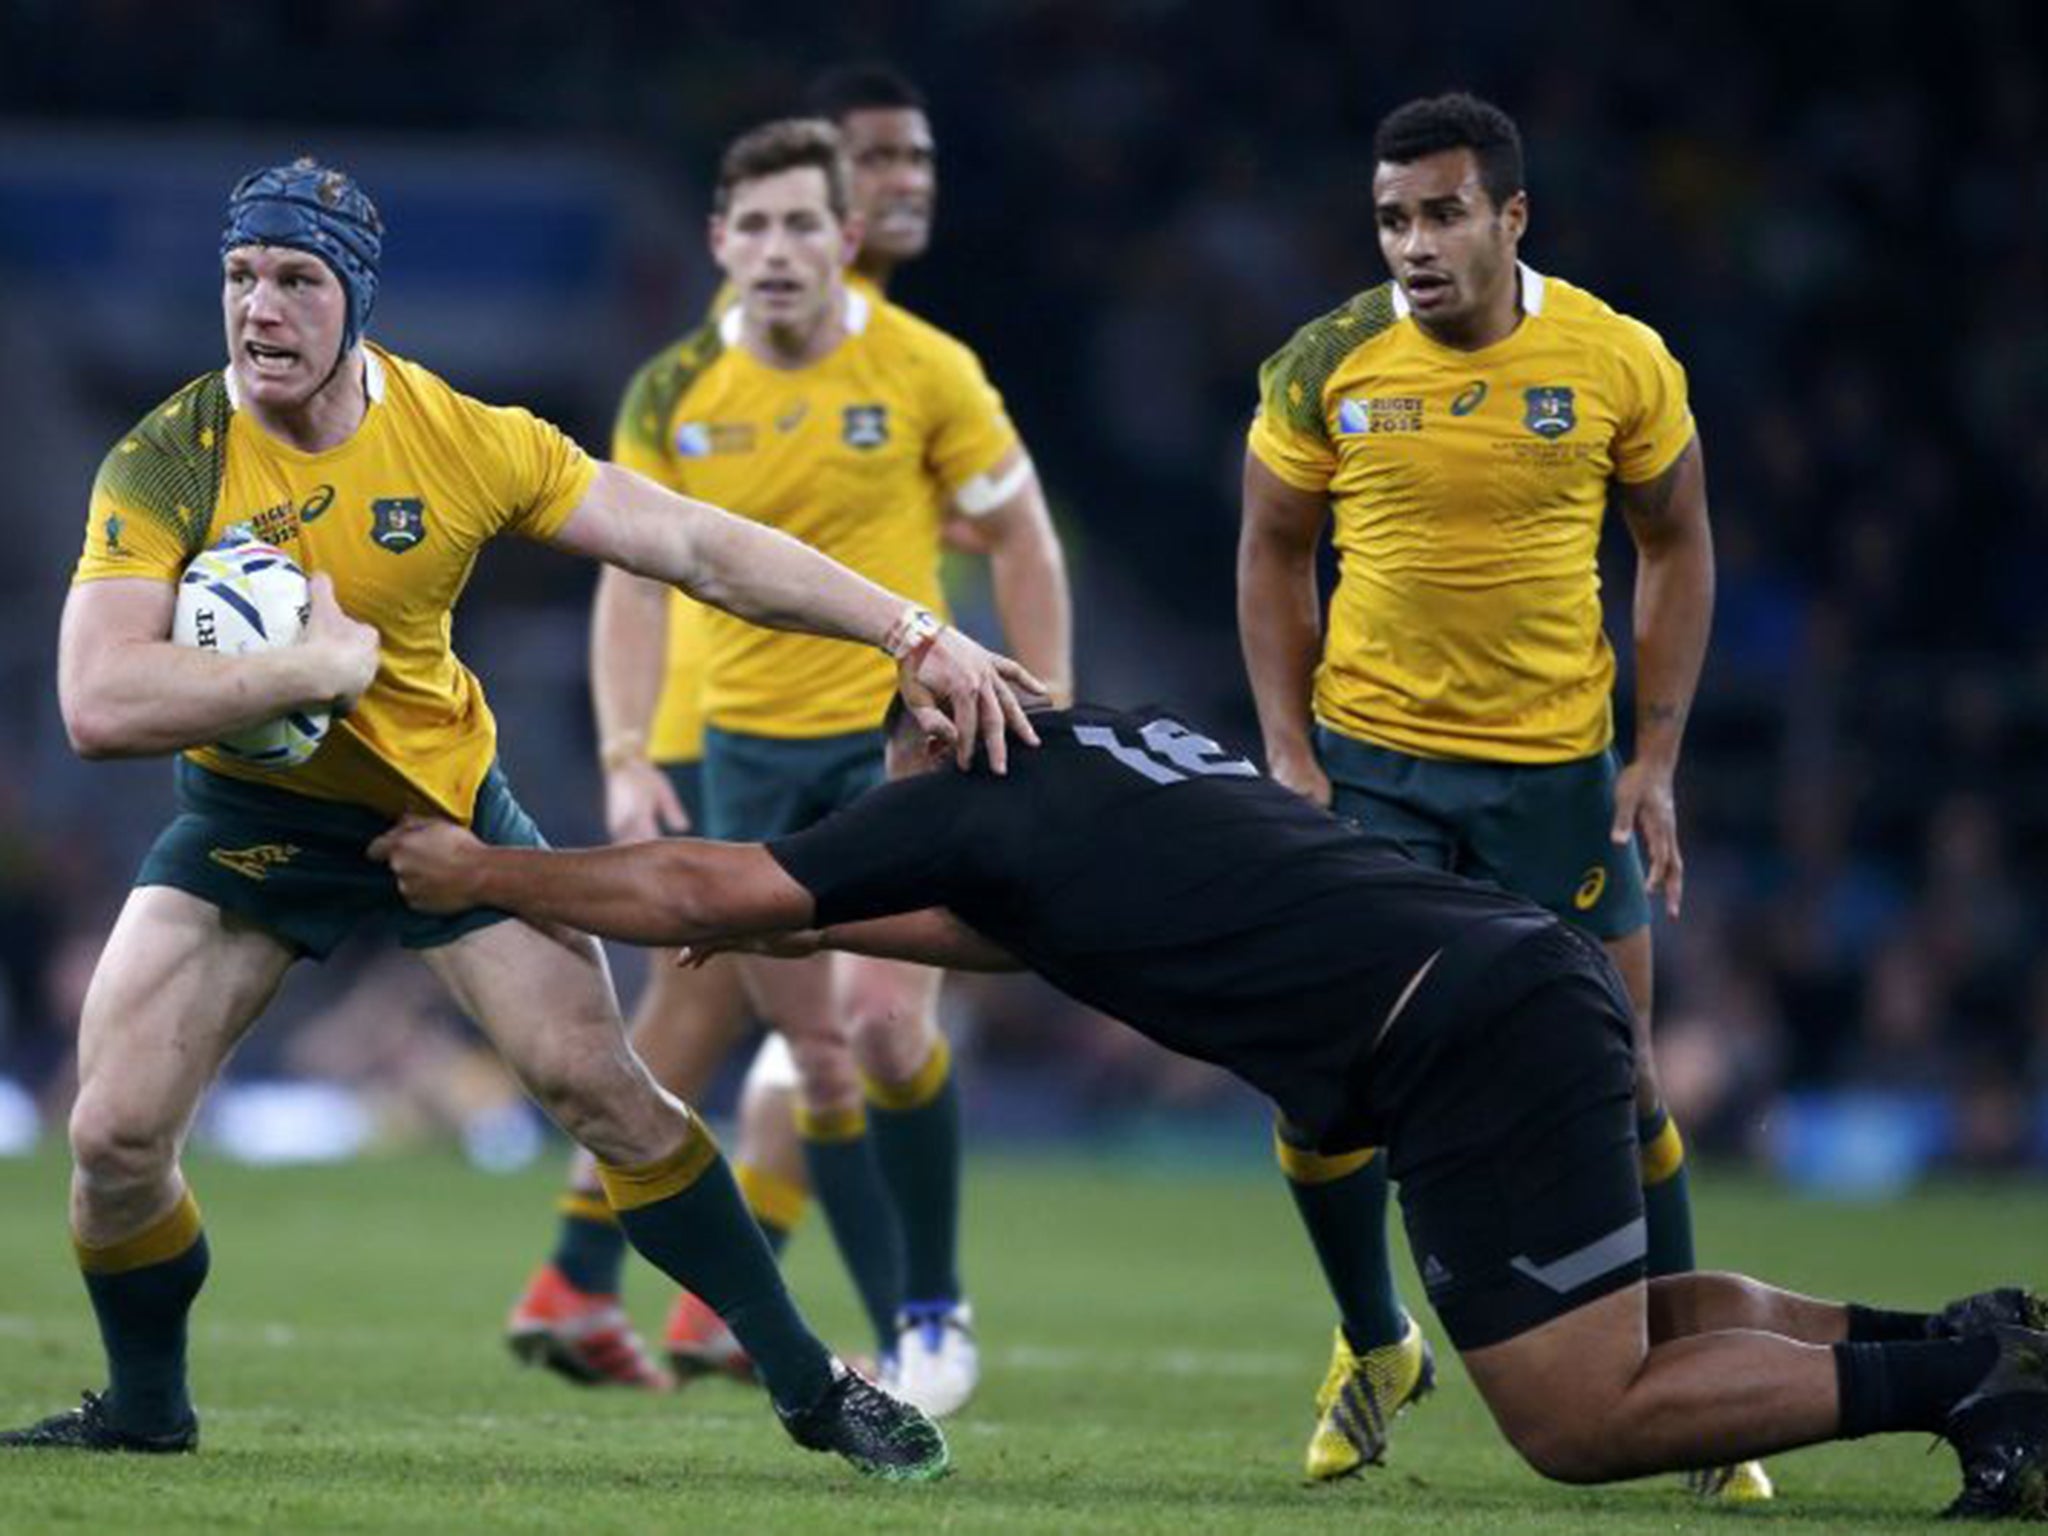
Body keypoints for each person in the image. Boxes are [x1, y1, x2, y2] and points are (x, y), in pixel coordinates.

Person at [2, 155, 1046, 1479]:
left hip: (447, 823)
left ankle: (811, 1385)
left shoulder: (459, 439)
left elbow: (697, 547)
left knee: (601, 1089)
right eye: (240, 277)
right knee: (110, 1138)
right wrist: (306, 673)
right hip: (248, 827)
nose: (259, 311)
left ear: (356, 300)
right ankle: (148, 1407)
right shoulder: (168, 456)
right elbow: (96, 699)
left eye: (296, 281)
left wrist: (911, 628)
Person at [373, 697, 2048, 1521]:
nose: (876, 807)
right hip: (1509, 983)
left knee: (1573, 1419)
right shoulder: (1112, 749)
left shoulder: (953, 791)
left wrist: (487, 869)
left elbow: (701, 883)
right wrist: (780, 910)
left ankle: (1963, 1381)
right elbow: (958, 929)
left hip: (1453, 1038)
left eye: (881, 778)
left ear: (921, 736)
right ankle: (1973, 1337)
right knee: (1638, 1320)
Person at [511, 112, 1069, 1416]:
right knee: (815, 1057)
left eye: (801, 224)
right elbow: (632, 581)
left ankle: (930, 1316)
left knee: (882, 1025)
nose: (775, 249)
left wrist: (1060, 705)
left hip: (894, 741)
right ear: (718, 240)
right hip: (745, 759)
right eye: (751, 226)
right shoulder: (672, 389)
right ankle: (881, 1338)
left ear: (846, 236)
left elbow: (1024, 537)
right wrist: (626, 750)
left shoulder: (927, 369)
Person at [1235, 90, 1737, 1490]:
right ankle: (1372, 1335)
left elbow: (1678, 543)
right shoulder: (1325, 360)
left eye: (1443, 213)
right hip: (1376, 775)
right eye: (1393, 217)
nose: (1413, 243)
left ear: (1512, 217)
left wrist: (1657, 759)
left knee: (1620, 1077)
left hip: (1556, 780)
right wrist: (1288, 750)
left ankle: (1702, 1396)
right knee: (1321, 1084)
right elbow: (1272, 551)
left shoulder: (1618, 358)